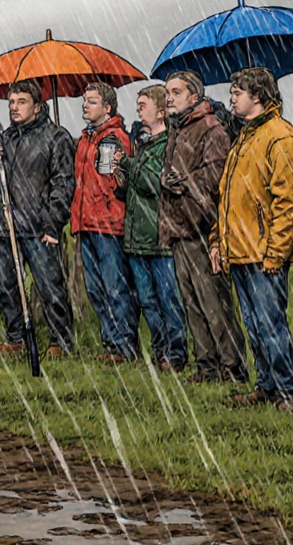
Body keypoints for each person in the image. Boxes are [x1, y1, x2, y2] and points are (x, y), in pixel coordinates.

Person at [212, 68, 293, 411]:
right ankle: (266, 384)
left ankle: (288, 391)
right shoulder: (245, 137)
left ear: (259, 97)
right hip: (240, 249)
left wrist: (276, 252)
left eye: (238, 92)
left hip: (263, 251)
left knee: (272, 324)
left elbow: (290, 201)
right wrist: (217, 241)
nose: (232, 98)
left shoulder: (279, 137)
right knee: (255, 325)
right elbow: (227, 197)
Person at [160, 72, 247, 384]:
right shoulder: (177, 129)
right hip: (179, 226)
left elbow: (216, 176)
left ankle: (232, 367)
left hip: (202, 226)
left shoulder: (210, 128)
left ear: (194, 96)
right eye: (167, 92)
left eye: (176, 92)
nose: (169, 98)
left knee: (215, 303)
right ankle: (207, 365)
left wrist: (182, 183)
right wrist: (165, 179)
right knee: (193, 303)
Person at [0, 80, 75, 358]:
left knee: (49, 287)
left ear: (37, 105)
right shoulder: (4, 140)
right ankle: (16, 338)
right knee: (7, 287)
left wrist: (52, 222)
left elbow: (63, 184)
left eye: (21, 102)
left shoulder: (56, 137)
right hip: (7, 225)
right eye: (11, 102)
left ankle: (60, 342)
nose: (14, 108)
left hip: (39, 226)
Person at [116, 85, 187, 371]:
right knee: (147, 300)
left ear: (160, 111)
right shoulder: (143, 143)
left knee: (168, 299)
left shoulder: (168, 145)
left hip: (158, 237)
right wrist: (124, 181)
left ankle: (176, 353)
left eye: (143, 104)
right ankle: (160, 352)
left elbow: (153, 184)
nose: (138, 109)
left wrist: (129, 165)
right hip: (138, 236)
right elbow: (136, 186)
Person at [71, 82, 137, 363]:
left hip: (108, 222)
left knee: (115, 286)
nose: (86, 105)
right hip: (87, 221)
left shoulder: (114, 138)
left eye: (92, 101)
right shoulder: (86, 138)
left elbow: (114, 182)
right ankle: (110, 341)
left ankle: (124, 344)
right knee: (96, 287)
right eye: (85, 100)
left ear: (108, 107)